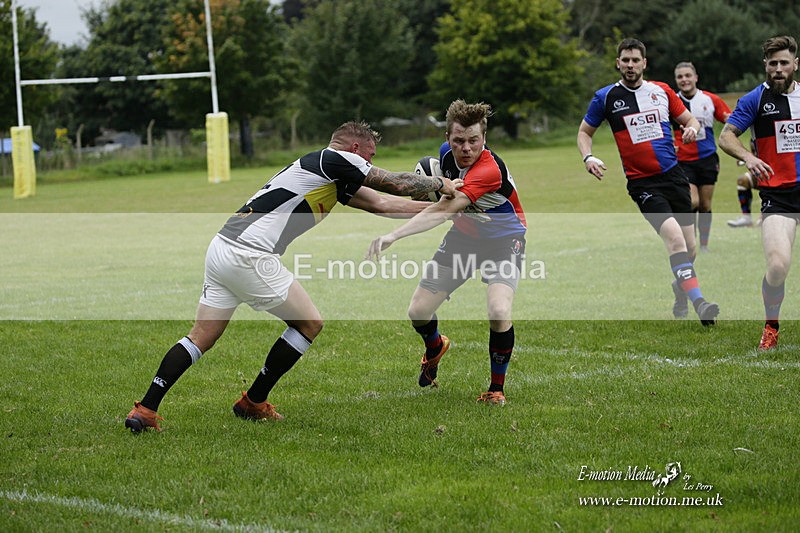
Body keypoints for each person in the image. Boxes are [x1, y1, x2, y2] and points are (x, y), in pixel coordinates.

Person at [124, 121, 462, 432]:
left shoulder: (329, 174)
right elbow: (397, 183)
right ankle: (253, 402)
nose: (370, 162)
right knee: (309, 323)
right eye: (370, 155)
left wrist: (447, 211)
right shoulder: (332, 158)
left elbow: (383, 204)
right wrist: (441, 184)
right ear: (356, 149)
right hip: (250, 255)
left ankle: (145, 410)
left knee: (200, 337)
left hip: (222, 248)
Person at [367, 100, 527, 406]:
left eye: (473, 141)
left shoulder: (489, 170)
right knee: (418, 312)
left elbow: (443, 210)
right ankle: (435, 344)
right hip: (464, 238)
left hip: (504, 240)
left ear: (484, 139)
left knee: (498, 311)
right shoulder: (444, 158)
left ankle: (496, 389)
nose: (466, 148)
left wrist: (393, 235)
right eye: (458, 141)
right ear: (447, 139)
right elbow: (438, 197)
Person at [577, 38, 719, 325]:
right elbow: (584, 133)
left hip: (674, 177)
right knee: (675, 240)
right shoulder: (605, 97)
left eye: (635, 60)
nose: (630, 65)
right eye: (625, 60)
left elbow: (690, 121)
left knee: (689, 250)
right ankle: (700, 303)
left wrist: (691, 130)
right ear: (618, 63)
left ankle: (680, 290)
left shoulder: (662, 91)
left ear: (645, 63)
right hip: (643, 185)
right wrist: (588, 157)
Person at [719, 35, 800, 350]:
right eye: (772, 64)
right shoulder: (755, 99)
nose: (778, 69)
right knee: (778, 266)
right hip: (777, 196)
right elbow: (727, 136)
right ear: (765, 66)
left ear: (795, 65)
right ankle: (771, 325)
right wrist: (749, 158)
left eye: (784, 63)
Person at [672, 61, 732, 251]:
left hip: (707, 159)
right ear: (676, 80)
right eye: (680, 77)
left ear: (695, 77)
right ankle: (691, 242)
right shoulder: (670, 101)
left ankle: (704, 245)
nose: (684, 80)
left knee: (705, 205)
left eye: (688, 75)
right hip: (682, 162)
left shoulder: (709, 99)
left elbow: (731, 121)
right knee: (693, 201)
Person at [727, 140, 760, 228]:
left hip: (778, 175)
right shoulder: (754, 136)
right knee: (743, 181)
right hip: (762, 174)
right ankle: (746, 218)